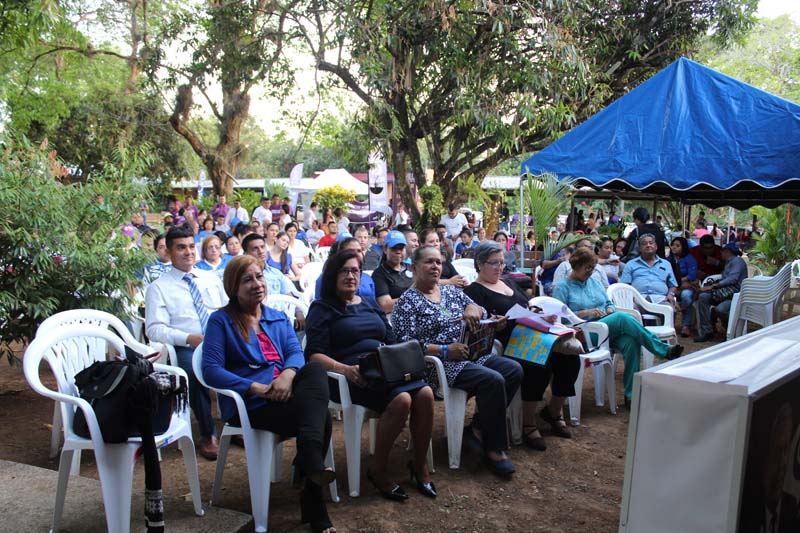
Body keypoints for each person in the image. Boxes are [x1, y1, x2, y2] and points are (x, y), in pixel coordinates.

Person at [201, 255, 336, 533]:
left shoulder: (277, 317)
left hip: (287, 394)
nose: (256, 284)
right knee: (319, 416)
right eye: (247, 279)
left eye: (259, 277)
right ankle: (313, 491)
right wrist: (257, 387)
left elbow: (295, 353)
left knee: (315, 371)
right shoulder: (221, 321)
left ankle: (309, 465)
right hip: (253, 404)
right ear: (233, 287)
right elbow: (211, 369)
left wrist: (287, 376)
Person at [305, 249, 435, 501]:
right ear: (332, 275)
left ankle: (419, 465)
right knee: (403, 400)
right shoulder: (322, 309)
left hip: (386, 370)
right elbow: (314, 356)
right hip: (349, 377)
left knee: (426, 394)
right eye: (344, 270)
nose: (351, 276)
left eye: (355, 270)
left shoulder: (368, 303)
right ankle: (378, 469)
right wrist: (345, 370)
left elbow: (390, 338)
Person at [393, 245, 522, 478]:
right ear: (414, 268)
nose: (435, 267)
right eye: (429, 262)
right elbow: (405, 344)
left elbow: (478, 309)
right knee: (492, 380)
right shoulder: (407, 302)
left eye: (439, 262)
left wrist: (475, 309)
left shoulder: (451, 292)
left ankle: (479, 429)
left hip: (473, 354)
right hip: (439, 366)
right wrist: (444, 350)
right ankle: (495, 449)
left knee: (512, 369)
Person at [464, 242, 579, 450]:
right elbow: (477, 326)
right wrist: (495, 324)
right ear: (479, 264)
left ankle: (553, 412)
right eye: (494, 263)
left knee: (570, 357)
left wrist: (541, 315)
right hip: (508, 341)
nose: (500, 267)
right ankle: (528, 422)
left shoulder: (508, 282)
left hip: (533, 331)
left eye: (501, 262)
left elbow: (527, 307)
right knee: (540, 359)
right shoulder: (474, 291)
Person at [554, 248, 683, 407]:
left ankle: (630, 396)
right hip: (587, 333)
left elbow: (608, 302)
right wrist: (586, 312)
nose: (590, 271)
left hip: (607, 327)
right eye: (587, 267)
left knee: (631, 342)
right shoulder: (563, 287)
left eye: (592, 268)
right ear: (576, 266)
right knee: (623, 317)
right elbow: (561, 318)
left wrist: (609, 309)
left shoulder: (593, 282)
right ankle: (662, 349)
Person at [145, 226, 227, 460]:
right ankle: (208, 432)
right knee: (192, 369)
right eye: (181, 248)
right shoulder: (159, 287)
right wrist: (189, 339)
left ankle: (237, 423)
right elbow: (154, 328)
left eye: (191, 246)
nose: (188, 252)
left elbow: (226, 309)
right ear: (169, 252)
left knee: (248, 358)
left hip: (218, 340)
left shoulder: (210, 279)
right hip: (187, 345)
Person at [693, 242, 748, 342]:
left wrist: (713, 286)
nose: (721, 254)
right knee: (703, 297)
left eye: (722, 252)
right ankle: (707, 331)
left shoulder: (737, 261)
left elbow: (732, 279)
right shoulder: (728, 262)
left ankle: (731, 331)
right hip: (724, 293)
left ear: (727, 252)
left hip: (735, 295)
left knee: (720, 310)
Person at [619, 234, 679, 306]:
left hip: (660, 300)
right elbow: (625, 285)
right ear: (640, 248)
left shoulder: (666, 264)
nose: (648, 245)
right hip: (637, 300)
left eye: (651, 243)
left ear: (656, 246)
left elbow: (673, 285)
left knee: (668, 308)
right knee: (631, 312)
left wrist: (671, 294)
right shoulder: (631, 264)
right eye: (644, 244)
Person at [371, 230, 413, 314]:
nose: (398, 252)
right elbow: (385, 305)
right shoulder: (379, 274)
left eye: (401, 248)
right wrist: (414, 298)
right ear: (385, 249)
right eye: (394, 248)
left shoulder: (411, 267)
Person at [668, 237, 698, 337]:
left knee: (686, 296)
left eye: (677, 246)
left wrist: (678, 282)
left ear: (683, 247)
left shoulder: (689, 258)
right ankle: (669, 324)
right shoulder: (669, 259)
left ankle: (686, 325)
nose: (674, 247)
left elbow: (692, 275)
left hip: (686, 287)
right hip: (672, 287)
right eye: (673, 245)